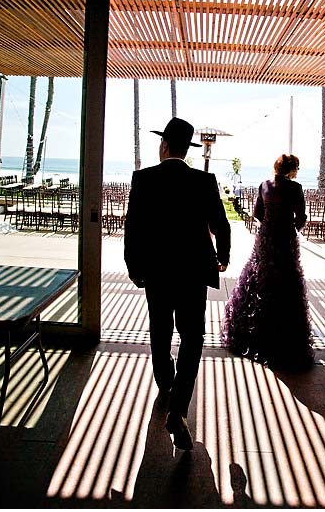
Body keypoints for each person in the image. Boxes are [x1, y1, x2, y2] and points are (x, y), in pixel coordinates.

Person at [124, 117, 231, 450]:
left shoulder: (143, 179)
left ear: (165, 145)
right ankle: (179, 406)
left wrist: (133, 265)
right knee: (193, 335)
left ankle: (166, 383)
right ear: (187, 150)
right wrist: (222, 257)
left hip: (156, 270)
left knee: (160, 329)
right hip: (193, 270)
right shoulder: (204, 180)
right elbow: (221, 224)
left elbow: (134, 228)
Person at [221, 154, 315, 371]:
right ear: (291, 169)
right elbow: (301, 218)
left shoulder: (264, 184)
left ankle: (251, 331)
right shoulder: (295, 188)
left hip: (265, 238)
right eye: (297, 168)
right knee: (286, 284)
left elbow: (257, 214)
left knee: (259, 279)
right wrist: (290, 227)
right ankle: (282, 336)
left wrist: (270, 225)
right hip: (284, 240)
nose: (297, 171)